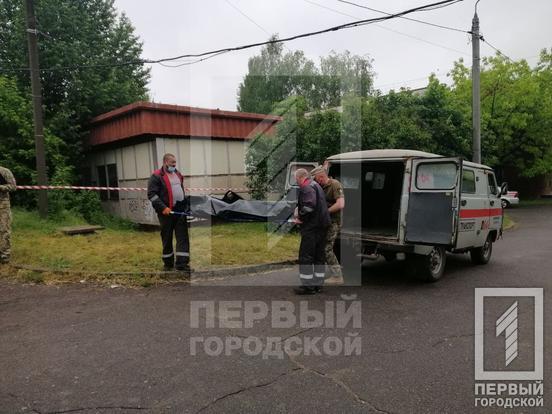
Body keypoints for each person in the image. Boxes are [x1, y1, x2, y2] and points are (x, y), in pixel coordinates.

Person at [148, 154, 191, 272]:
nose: (174, 165)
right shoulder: (156, 176)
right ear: (165, 162)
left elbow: (180, 190)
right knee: (167, 238)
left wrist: (185, 205)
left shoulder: (177, 174)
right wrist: (163, 208)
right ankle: (168, 264)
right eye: (172, 163)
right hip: (166, 213)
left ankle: (182, 264)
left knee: (183, 237)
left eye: (175, 163)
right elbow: (152, 195)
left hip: (179, 211)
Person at [293, 168, 330, 295]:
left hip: (312, 227)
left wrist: (300, 218)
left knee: (306, 256)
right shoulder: (316, 186)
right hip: (322, 226)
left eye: (296, 179)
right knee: (319, 256)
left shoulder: (307, 187)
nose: (296, 182)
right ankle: (318, 285)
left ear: (300, 178)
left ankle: (308, 287)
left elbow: (309, 206)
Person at [311, 165, 345, 285]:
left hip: (333, 222)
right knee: (322, 247)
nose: (315, 181)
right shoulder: (321, 187)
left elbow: (340, 204)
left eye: (316, 178)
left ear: (321, 177)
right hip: (324, 221)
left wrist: (325, 212)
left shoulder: (335, 184)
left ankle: (337, 276)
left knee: (327, 248)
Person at [0, 166, 16, 264]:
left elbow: (13, 186)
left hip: (2, 206)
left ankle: (5, 255)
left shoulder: (4, 171)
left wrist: (1, 187)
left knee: (4, 230)